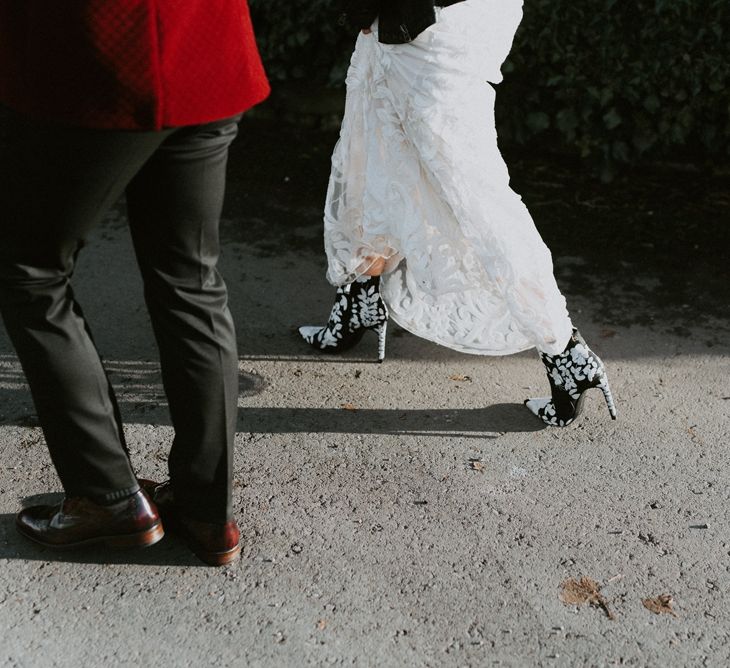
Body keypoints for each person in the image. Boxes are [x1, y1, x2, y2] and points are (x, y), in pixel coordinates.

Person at [0, 1, 269, 565]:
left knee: (29, 269)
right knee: (191, 278)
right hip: (204, 44)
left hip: (97, 51)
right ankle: (205, 507)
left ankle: (108, 497)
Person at [299, 0, 617, 427]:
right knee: (372, 155)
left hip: (431, 29)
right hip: (410, 21)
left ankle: (565, 351)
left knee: (473, 196)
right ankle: (360, 297)